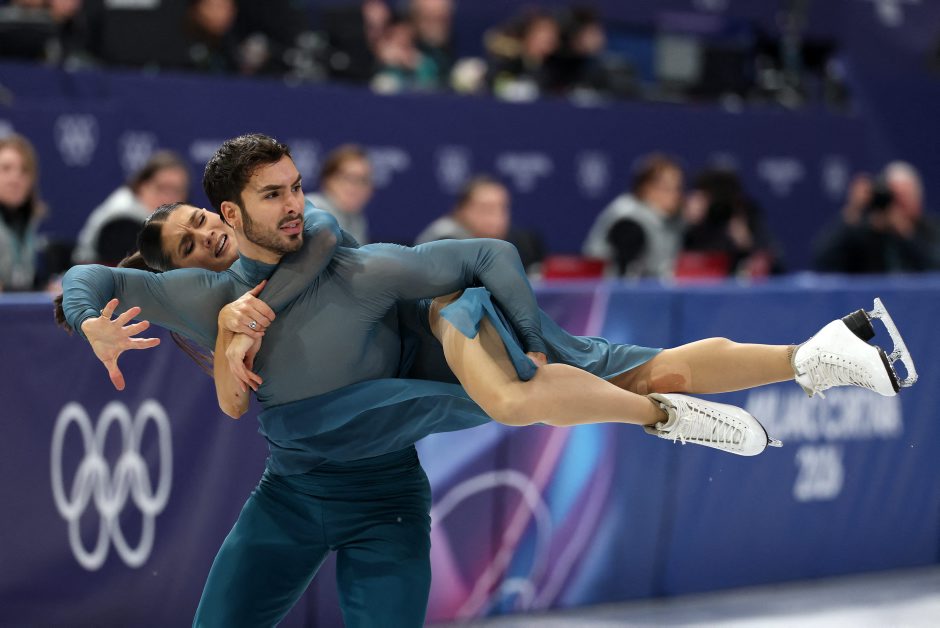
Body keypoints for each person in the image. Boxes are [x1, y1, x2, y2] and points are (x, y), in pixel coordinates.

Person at [59, 134, 910, 626]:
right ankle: (760, 374)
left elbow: (470, 253)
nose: (292, 205)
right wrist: (90, 320)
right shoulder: (202, 296)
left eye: (296, 189)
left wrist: (538, 340)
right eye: (270, 195)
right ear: (230, 212)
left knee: (542, 387)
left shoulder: (352, 261)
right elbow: (89, 281)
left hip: (397, 469)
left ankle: (788, 365)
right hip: (292, 494)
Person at [73, 150, 190, 265]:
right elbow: (126, 273)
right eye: (163, 188)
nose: (170, 198)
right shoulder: (122, 221)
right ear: (142, 187)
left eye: (178, 191)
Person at [414, 174, 545, 272]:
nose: (495, 217)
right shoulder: (442, 242)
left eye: (502, 208)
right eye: (486, 208)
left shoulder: (524, 242)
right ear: (461, 211)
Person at [0, 133, 46, 291]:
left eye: (24, 170)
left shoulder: (27, 222)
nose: (15, 178)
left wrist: (45, 288)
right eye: (6, 168)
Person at [305, 144, 372, 244]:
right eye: (350, 178)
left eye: (364, 180)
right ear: (329, 180)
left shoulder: (357, 220)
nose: (357, 187)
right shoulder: (312, 210)